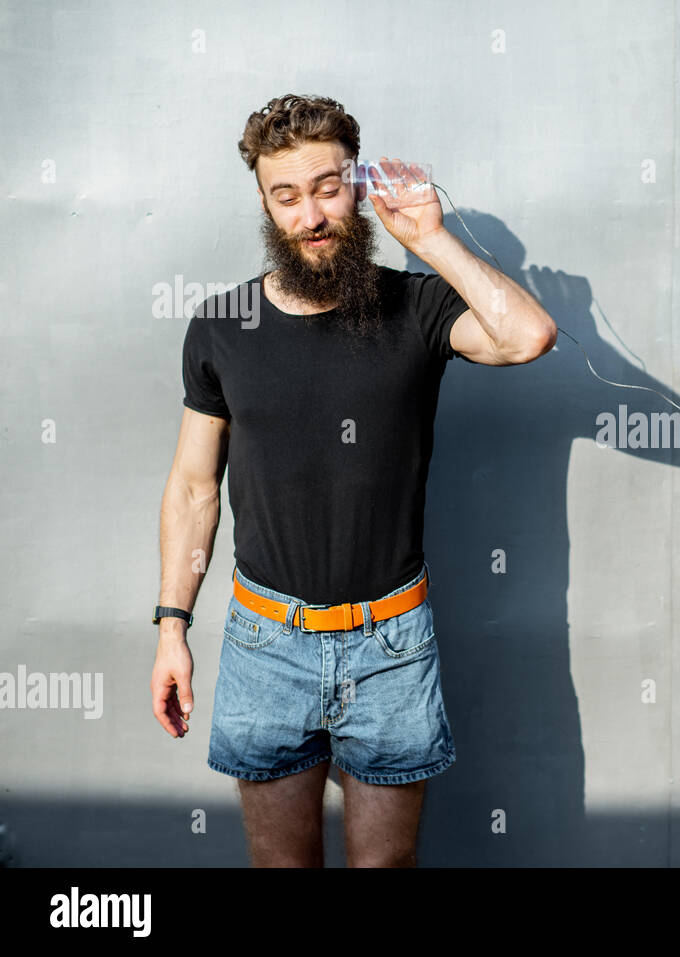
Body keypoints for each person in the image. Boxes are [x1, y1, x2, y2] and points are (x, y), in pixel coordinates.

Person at [150, 94, 557, 867]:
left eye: (328, 186)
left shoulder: (416, 305)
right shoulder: (220, 326)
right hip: (264, 641)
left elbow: (528, 335)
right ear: (266, 202)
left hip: (392, 641)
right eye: (288, 195)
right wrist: (173, 628)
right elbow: (194, 488)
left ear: (358, 185)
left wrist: (432, 240)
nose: (312, 213)